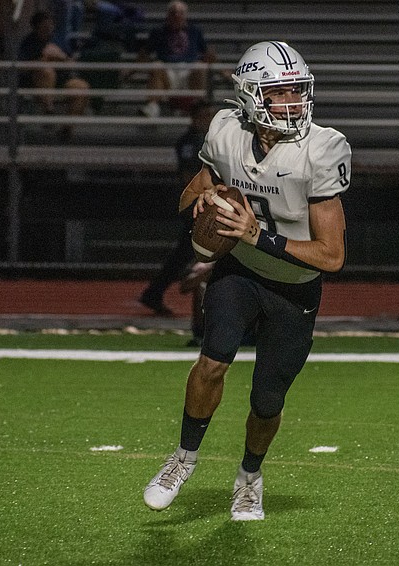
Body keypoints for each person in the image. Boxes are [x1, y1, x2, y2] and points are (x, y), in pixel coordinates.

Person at [143, 41, 350, 521]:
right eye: (280, 92)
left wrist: (258, 236)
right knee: (212, 361)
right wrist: (206, 198)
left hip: (295, 285)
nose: (293, 102)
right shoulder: (226, 131)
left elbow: (332, 255)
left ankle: (249, 477)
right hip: (239, 271)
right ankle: (183, 459)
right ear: (251, 96)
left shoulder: (322, 148)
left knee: (267, 400)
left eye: (298, 90)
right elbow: (189, 197)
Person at [139, 99, 215, 320]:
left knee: (185, 253)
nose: (210, 120)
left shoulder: (205, 141)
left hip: (202, 202)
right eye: (207, 116)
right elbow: (190, 175)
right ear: (196, 118)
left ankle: (155, 292)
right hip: (198, 204)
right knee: (191, 253)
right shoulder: (191, 142)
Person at [18, 10, 90, 140]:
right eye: (44, 26)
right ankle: (49, 111)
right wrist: (44, 59)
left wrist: (61, 57)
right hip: (37, 83)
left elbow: (71, 62)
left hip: (62, 79)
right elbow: (21, 66)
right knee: (46, 70)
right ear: (36, 28)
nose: (48, 29)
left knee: (81, 87)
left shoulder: (58, 40)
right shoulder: (29, 42)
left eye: (50, 25)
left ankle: (67, 129)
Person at [138, 1, 216, 118]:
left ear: (185, 15)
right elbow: (145, 53)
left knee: (200, 66)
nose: (177, 16)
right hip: (166, 69)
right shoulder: (158, 32)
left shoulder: (195, 31)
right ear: (168, 15)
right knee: (156, 66)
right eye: (173, 13)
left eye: (180, 13)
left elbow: (207, 53)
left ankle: (198, 107)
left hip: (189, 69)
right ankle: (152, 107)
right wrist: (132, 70)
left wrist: (224, 72)